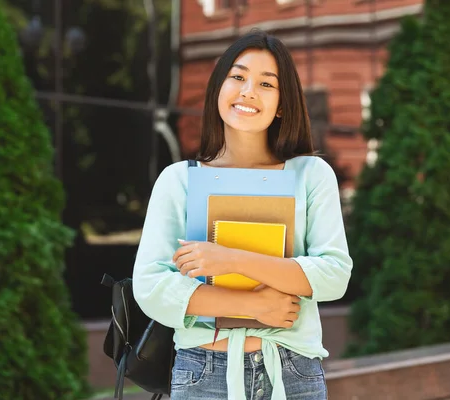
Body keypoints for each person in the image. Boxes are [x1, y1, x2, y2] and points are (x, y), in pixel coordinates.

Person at [133, 29, 353, 400]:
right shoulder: (180, 181)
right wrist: (253, 305)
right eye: (237, 77)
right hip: (203, 372)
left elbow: (333, 275)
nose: (248, 91)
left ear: (283, 104)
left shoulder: (311, 175)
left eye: (267, 84)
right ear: (219, 87)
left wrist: (230, 258)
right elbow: (152, 287)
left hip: (292, 370)